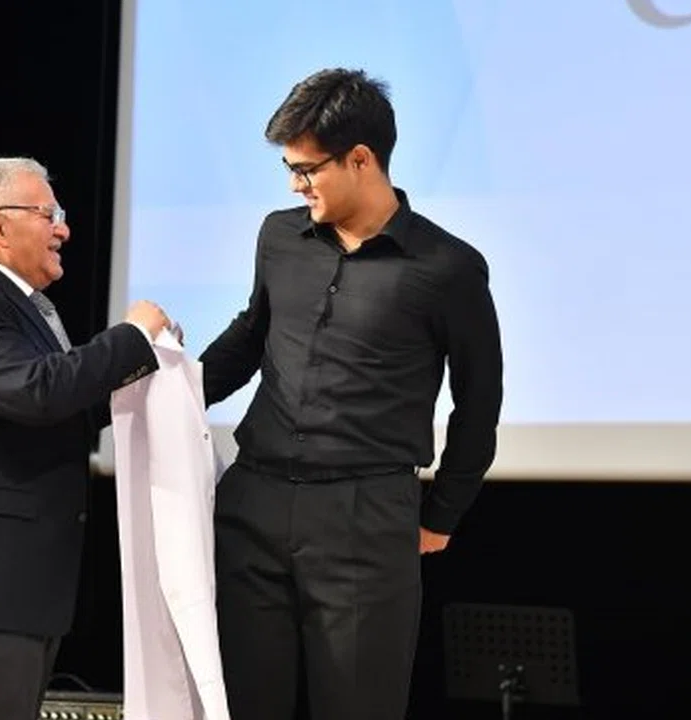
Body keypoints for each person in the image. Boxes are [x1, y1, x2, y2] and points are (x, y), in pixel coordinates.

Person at [199, 69, 504, 720]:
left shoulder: (448, 268)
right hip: (253, 503)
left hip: (366, 519)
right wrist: (172, 396)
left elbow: (479, 403)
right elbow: (250, 336)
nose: (295, 185)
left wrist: (442, 515)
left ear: (361, 159)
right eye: (289, 168)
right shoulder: (278, 237)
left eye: (307, 169)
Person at [0, 157, 171, 719]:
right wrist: (132, 336)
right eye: (49, 215)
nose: (64, 229)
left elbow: (67, 406)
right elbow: (39, 391)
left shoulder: (12, 305)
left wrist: (178, 377)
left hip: (16, 577)